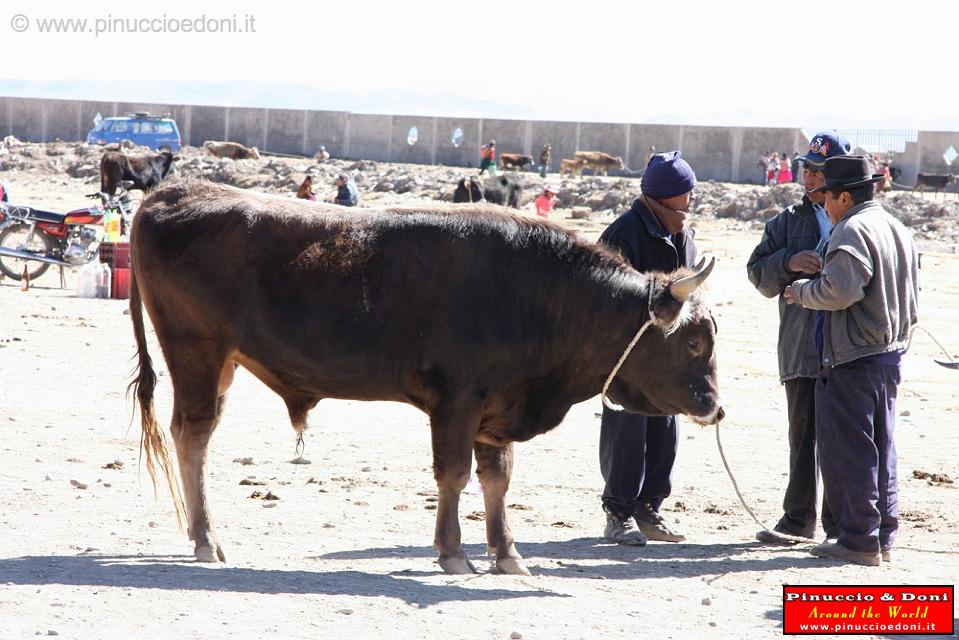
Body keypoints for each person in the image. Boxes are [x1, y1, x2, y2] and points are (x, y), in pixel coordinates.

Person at [785, 156, 919, 566]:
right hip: (889, 355)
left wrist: (801, 292)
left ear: (844, 197)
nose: (825, 205)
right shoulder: (896, 228)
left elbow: (840, 291)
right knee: (882, 449)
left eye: (828, 196)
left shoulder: (852, 229)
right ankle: (882, 536)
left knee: (851, 452)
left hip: (853, 358)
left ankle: (858, 540)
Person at [746, 132, 848, 545]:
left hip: (846, 347)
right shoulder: (786, 221)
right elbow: (757, 273)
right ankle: (797, 519)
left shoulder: (855, 220)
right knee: (802, 435)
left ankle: (840, 527)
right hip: (801, 345)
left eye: (818, 172)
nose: (809, 178)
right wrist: (788, 261)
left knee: (840, 438)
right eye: (807, 170)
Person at [597, 150, 698, 545]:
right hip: (628, 356)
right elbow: (604, 298)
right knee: (627, 429)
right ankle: (618, 513)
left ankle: (650, 508)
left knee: (665, 429)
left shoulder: (683, 233)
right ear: (665, 196)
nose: (691, 198)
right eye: (686, 191)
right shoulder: (622, 235)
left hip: (667, 358)